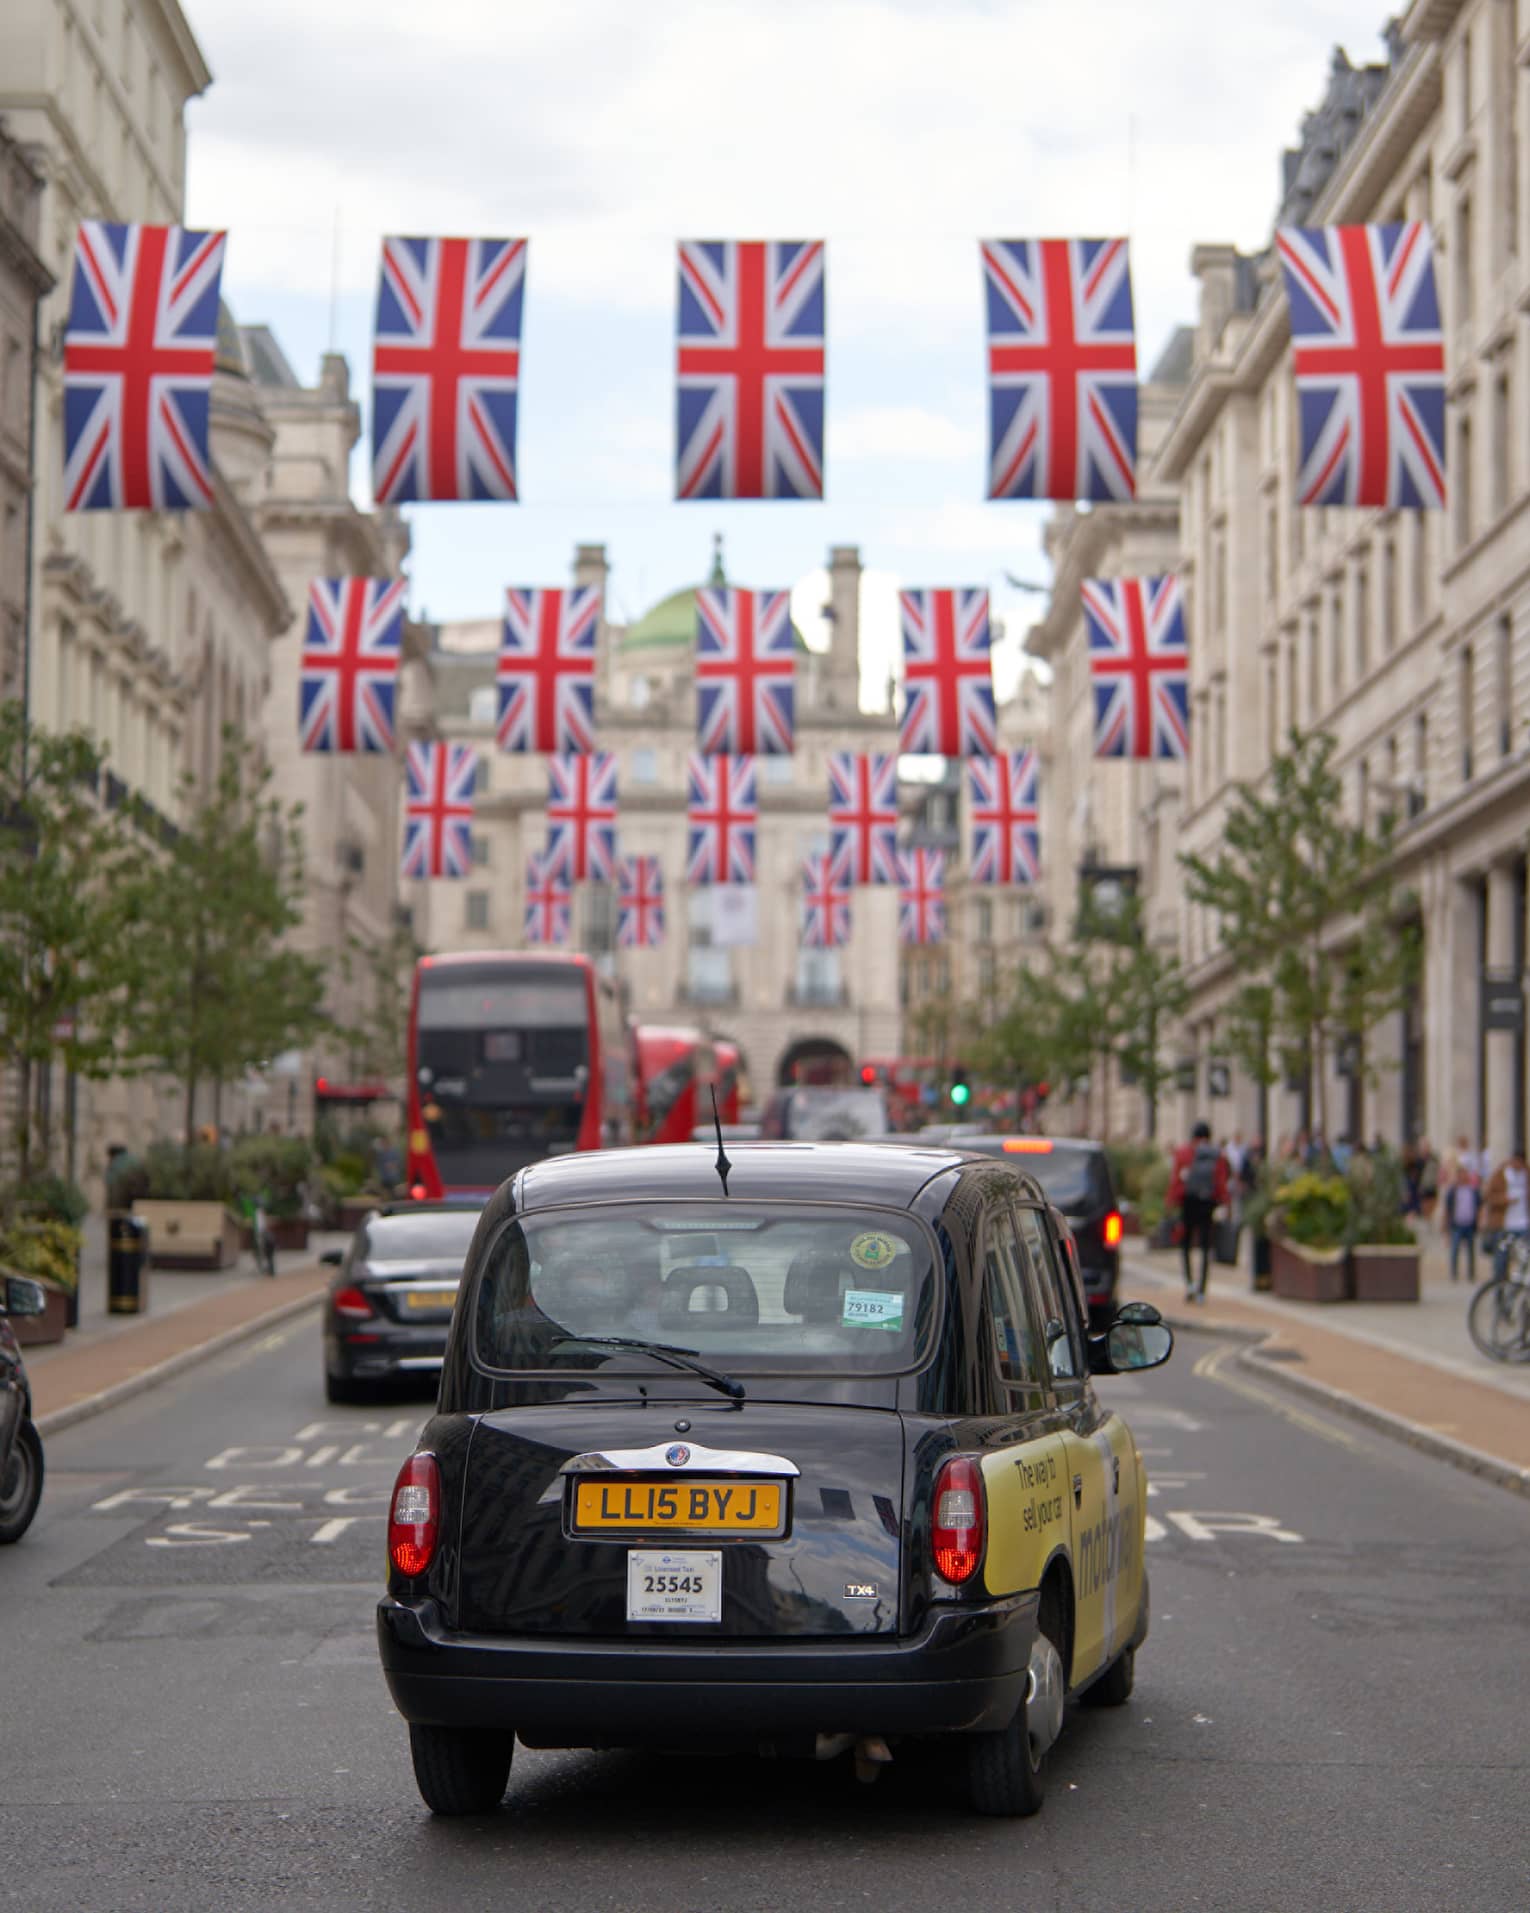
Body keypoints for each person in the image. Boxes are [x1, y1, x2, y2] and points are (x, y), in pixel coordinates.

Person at [1168, 1120, 1229, 1303]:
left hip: (1188, 1203)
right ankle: (1202, 1288)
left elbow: (1176, 1181)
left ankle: (1189, 1283)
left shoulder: (1183, 1153)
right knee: (1205, 1246)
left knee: (1185, 1245)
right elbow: (1221, 1181)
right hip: (1207, 1203)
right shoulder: (1216, 1155)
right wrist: (1224, 1201)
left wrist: (1172, 1202)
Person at [1482, 1146, 1530, 1280]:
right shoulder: (1500, 1174)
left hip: (1524, 1225)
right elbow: (1488, 1196)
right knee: (1501, 1262)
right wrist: (1505, 1200)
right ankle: (1500, 1294)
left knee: (1524, 1262)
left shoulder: (1527, 1175)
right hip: (1504, 1225)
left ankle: (1519, 1291)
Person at [1439, 1149, 1481, 1284]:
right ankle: (1454, 1273)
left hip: (1469, 1224)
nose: (1463, 1177)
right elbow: (1447, 1209)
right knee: (1455, 1250)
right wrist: (1445, 1226)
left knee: (1470, 1251)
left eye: (1465, 1174)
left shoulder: (1473, 1191)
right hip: (1457, 1224)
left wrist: (1479, 1221)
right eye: (1461, 1174)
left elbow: (1479, 1206)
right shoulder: (1453, 1191)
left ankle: (1471, 1274)